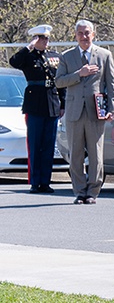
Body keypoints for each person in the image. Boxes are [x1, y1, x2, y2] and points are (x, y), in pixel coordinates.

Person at [54, 20, 114, 205]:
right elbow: (59, 82)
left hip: (95, 111)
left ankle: (93, 191)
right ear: (75, 35)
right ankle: (79, 191)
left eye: (87, 33)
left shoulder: (104, 55)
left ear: (93, 34)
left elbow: (111, 84)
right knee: (76, 154)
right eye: (80, 33)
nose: (84, 36)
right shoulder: (67, 56)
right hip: (74, 112)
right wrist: (79, 74)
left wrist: (113, 108)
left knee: (96, 154)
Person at [10, 24, 62, 194]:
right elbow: (14, 62)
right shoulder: (28, 56)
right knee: (35, 144)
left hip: (52, 104)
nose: (45, 41)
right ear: (35, 39)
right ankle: (35, 181)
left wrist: (63, 103)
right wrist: (28, 47)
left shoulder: (55, 57)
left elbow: (61, 82)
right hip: (34, 105)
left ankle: (45, 181)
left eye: (47, 38)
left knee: (48, 145)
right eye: (41, 38)